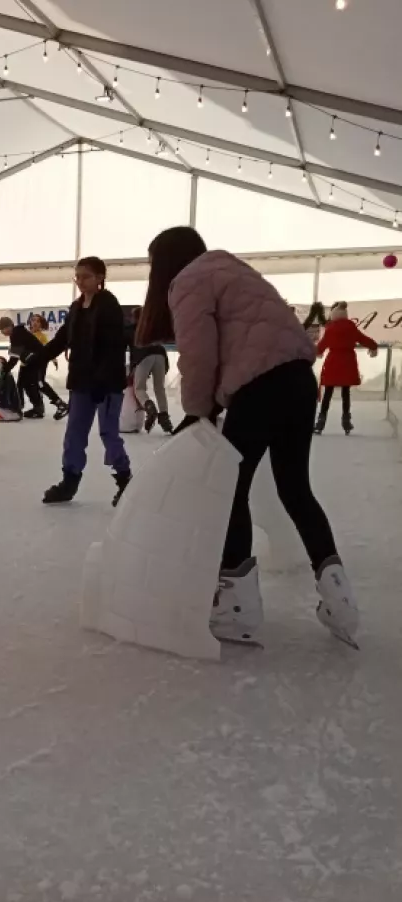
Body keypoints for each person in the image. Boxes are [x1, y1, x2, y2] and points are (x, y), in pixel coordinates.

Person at [138, 226, 357, 646]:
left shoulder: (188, 281)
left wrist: (197, 411)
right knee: (296, 490)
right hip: (298, 380)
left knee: (229, 488)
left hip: (260, 387)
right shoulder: (231, 267)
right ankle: (339, 597)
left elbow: (199, 355)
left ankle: (237, 607)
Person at [38, 258, 132, 505]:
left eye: (86, 276)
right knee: (74, 434)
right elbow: (62, 339)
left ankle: (125, 480)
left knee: (108, 433)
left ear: (100, 277)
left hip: (106, 382)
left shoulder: (109, 306)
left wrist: (103, 379)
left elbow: (114, 345)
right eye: (77, 276)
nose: (80, 281)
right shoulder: (76, 307)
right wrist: (40, 358)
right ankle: (69, 482)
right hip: (81, 381)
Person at [314, 301, 378, 435]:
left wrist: (316, 351)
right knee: (345, 392)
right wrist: (373, 346)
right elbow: (363, 339)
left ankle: (321, 420)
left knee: (328, 392)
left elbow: (322, 344)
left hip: (333, 362)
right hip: (348, 361)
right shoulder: (351, 327)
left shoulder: (330, 328)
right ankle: (346, 420)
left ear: (334, 316)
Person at [30, 314, 68, 420]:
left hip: (41, 361)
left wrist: (54, 359)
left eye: (38, 321)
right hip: (33, 362)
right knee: (34, 383)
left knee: (40, 382)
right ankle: (38, 407)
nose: (35, 323)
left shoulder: (42, 336)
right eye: (33, 320)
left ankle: (59, 403)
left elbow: (51, 348)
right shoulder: (29, 335)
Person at [131, 341, 173, 434]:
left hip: (144, 354)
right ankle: (165, 418)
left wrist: (132, 367)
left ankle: (150, 407)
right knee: (160, 388)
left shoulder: (132, 330)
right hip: (160, 354)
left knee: (139, 388)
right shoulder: (151, 327)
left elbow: (133, 351)